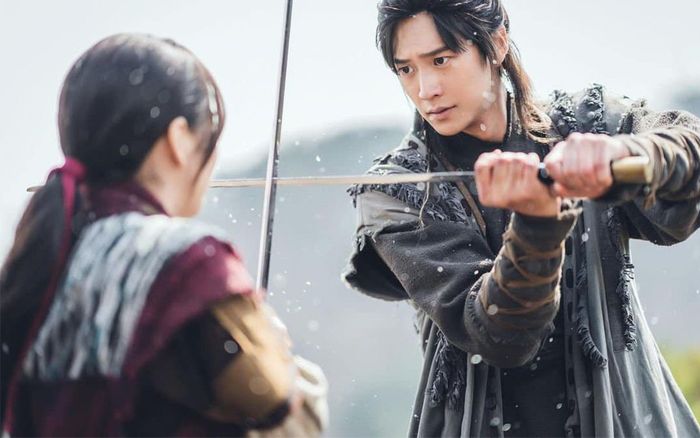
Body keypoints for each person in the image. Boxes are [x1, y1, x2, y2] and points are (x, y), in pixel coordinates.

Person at [342, 1, 700, 436]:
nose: (426, 88)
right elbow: (497, 335)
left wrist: (624, 153)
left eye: (441, 60)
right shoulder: (400, 189)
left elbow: (689, 158)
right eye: (406, 69)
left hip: (622, 420)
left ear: (496, 43)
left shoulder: (584, 125)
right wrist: (537, 221)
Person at [0, 33, 327, 436]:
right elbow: (287, 418)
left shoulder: (42, 264)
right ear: (178, 139)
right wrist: (279, 350)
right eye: (210, 138)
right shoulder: (187, 264)